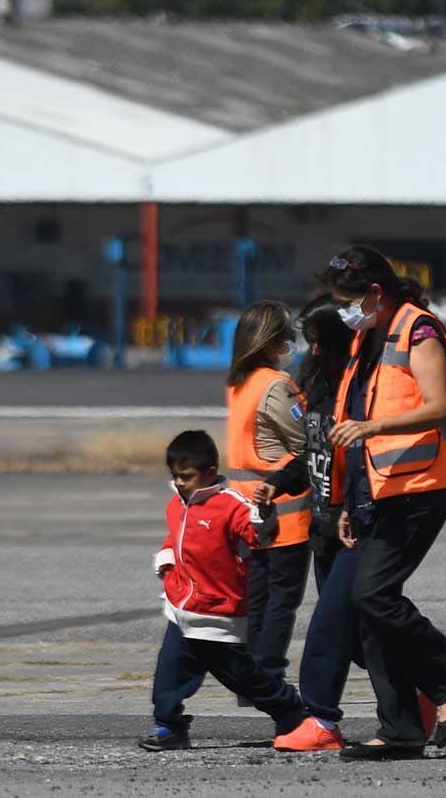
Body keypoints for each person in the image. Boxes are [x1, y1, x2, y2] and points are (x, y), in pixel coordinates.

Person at [321, 246, 446, 761]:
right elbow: (353, 422)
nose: (344, 309)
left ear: (375, 292)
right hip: (377, 489)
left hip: (421, 486)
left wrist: (375, 428)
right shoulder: (366, 338)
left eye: (350, 299)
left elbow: (437, 407)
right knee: (366, 608)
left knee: (373, 594)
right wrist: (349, 497)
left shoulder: (419, 330)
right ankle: (399, 728)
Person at [141, 430, 306, 751]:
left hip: (217, 616)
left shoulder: (231, 505)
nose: (179, 483)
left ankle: (290, 710)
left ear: (210, 473)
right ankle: (169, 726)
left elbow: (259, 535)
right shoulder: (176, 504)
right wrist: (166, 561)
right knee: (168, 676)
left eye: (186, 477)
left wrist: (265, 511)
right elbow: (174, 540)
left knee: (244, 678)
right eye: (175, 476)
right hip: (181, 611)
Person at [259, 295, 358, 752]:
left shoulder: (362, 389)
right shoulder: (312, 382)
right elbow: (310, 453)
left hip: (354, 526)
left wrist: (353, 510)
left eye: (323, 343)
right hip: (323, 527)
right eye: (310, 342)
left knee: (327, 628)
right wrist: (277, 483)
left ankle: (320, 720)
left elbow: (364, 460)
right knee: (361, 635)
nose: (313, 352)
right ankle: (423, 693)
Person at [225, 300, 310, 684]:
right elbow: (305, 443)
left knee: (256, 598)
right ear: (273, 341)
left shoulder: (238, 384)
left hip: (245, 509)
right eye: (285, 337)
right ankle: (268, 674)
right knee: (281, 601)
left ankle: (251, 676)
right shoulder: (277, 387)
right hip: (284, 511)